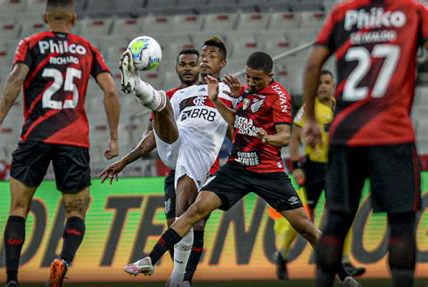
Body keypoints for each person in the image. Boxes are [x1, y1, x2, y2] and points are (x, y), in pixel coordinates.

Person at [121, 51, 359, 287]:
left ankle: (344, 276)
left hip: (268, 171)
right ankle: (151, 259)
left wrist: (268, 138)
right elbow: (235, 121)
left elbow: (286, 136)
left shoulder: (279, 97)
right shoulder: (244, 90)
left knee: (305, 227)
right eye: (248, 77)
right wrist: (216, 99)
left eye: (257, 79)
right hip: (237, 168)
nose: (251, 83)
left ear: (270, 76)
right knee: (195, 211)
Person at [0, 0, 120, 286]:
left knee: (18, 208)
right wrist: (113, 136)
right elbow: (110, 90)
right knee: (76, 211)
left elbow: (15, 78)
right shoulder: (87, 48)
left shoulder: (31, 44)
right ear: (73, 16)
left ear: (45, 16)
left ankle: (11, 279)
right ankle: (63, 261)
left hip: (35, 135)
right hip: (74, 140)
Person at [302, 1, 427, 286]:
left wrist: (309, 117)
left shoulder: (342, 13)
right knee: (401, 222)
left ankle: (322, 282)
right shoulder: (413, 11)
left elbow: (312, 65)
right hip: (391, 135)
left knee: (336, 219)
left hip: (345, 135)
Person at [101, 36, 235, 286]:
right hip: (176, 148)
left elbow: (237, 129)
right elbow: (153, 137)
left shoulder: (228, 92)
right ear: (176, 68)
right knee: (162, 106)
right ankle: (136, 83)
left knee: (186, 218)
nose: (202, 61)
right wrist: (124, 161)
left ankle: (180, 278)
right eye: (201, 55)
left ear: (222, 62)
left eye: (208, 57)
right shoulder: (181, 95)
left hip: (201, 159)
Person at [273, 70, 365, 279]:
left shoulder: (338, 107)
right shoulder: (309, 108)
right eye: (320, 82)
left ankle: (345, 260)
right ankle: (282, 254)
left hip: (334, 168)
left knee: (343, 213)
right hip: (312, 168)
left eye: (327, 82)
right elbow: (295, 137)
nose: (323, 86)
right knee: (304, 218)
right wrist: (295, 165)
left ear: (333, 85)